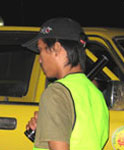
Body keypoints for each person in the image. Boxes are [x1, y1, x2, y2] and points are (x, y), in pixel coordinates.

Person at [23, 18, 109, 150]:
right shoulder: (96, 94)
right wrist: (45, 132)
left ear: (56, 48)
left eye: (41, 50)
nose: (40, 59)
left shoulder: (56, 93)